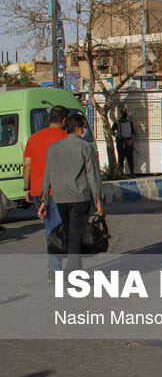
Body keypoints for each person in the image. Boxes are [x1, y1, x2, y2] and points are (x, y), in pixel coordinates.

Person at [38, 113, 104, 272]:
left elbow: (47, 175)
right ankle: (71, 273)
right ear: (76, 128)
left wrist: (44, 201)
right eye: (83, 127)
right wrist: (99, 200)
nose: (84, 130)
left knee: (69, 235)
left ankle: (76, 270)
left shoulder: (53, 147)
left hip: (59, 197)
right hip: (79, 197)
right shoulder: (84, 146)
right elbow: (92, 176)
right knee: (75, 236)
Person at [23, 105, 68, 281]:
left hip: (36, 190)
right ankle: (55, 269)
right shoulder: (65, 137)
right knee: (58, 227)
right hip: (58, 190)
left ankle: (55, 268)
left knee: (50, 226)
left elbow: (27, 165)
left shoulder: (33, 138)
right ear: (64, 120)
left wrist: (26, 187)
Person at [109, 109, 135, 176]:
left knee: (130, 158)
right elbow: (112, 131)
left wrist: (131, 140)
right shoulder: (117, 123)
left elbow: (133, 133)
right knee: (121, 158)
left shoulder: (129, 123)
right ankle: (121, 173)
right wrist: (115, 134)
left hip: (128, 142)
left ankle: (132, 172)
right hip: (120, 142)